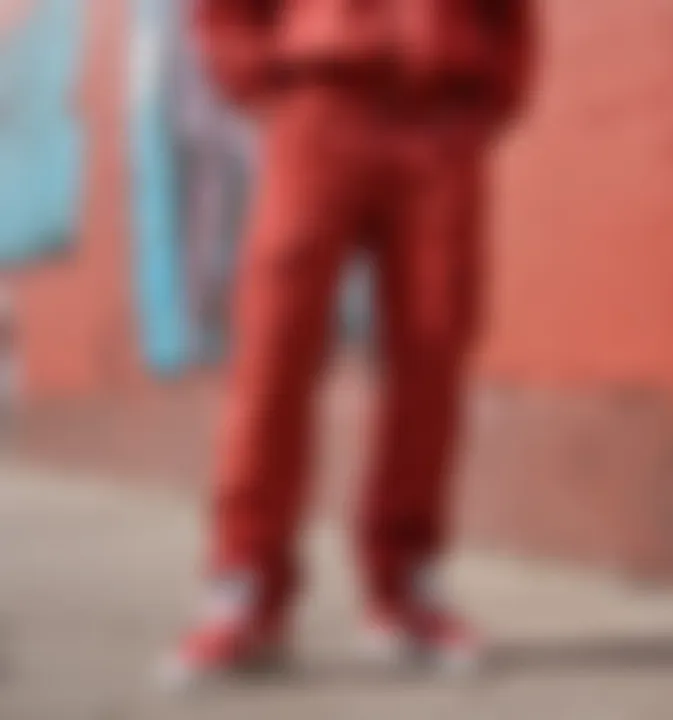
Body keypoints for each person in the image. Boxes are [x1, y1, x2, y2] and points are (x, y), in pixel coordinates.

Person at [163, 0, 536, 686]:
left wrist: (488, 100)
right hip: (321, 106)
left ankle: (404, 590)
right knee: (273, 348)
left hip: (442, 119)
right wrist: (261, 78)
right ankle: (246, 583)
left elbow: (513, 16)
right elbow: (221, 12)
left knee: (433, 355)